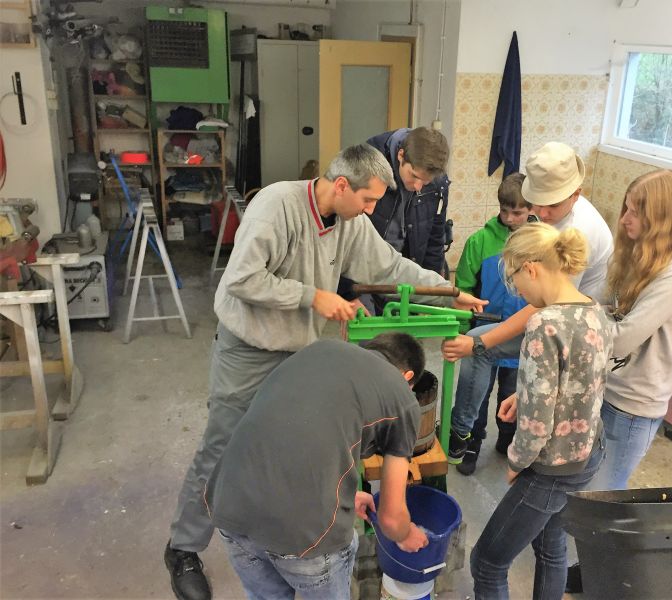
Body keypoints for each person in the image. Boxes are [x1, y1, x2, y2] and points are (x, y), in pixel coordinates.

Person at [164, 144, 486, 600]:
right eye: (367, 200)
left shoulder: (350, 223)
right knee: (221, 447)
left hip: (300, 354)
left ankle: (283, 528)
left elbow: (391, 265)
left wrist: (448, 293)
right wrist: (313, 297)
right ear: (341, 185)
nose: (371, 210)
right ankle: (183, 548)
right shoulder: (277, 206)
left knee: (301, 446)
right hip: (249, 349)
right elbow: (241, 278)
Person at [206, 334, 430, 600]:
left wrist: (344, 495)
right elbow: (391, 520)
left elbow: (297, 435)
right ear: (407, 376)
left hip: (229, 502)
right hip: (305, 535)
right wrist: (406, 535)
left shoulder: (319, 349)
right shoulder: (402, 397)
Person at [565, 169, 672, 593]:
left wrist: (579, 314)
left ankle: (602, 577)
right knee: (590, 488)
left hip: (634, 404)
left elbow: (622, 337)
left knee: (606, 498)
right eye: (626, 207)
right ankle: (591, 566)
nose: (624, 219)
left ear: (662, 218)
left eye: (637, 212)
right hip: (609, 387)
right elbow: (605, 303)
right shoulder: (640, 254)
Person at [443, 142, 613, 464]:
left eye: (552, 206)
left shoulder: (581, 230)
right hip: (559, 315)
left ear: (576, 194)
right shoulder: (551, 217)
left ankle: (501, 444)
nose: (542, 214)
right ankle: (469, 430)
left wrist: (480, 342)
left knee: (484, 349)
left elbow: (546, 306)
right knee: (485, 350)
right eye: (538, 204)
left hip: (572, 327)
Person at [469, 222, 613, 600]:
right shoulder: (594, 310)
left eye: (515, 279)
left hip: (552, 467)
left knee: (487, 562)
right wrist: (525, 394)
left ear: (531, 268)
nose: (517, 290)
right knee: (551, 548)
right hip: (588, 451)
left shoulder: (544, 324)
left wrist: (517, 460)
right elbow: (583, 381)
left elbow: (535, 427)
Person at [452, 172, 534, 475]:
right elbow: (463, 286)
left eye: (518, 212)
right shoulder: (480, 241)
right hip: (485, 335)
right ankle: (472, 442)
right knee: (476, 393)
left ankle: (507, 437)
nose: (510, 218)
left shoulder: (539, 242)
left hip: (521, 335)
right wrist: (462, 332)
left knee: (513, 391)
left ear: (532, 209)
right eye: (504, 210)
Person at [339, 126, 451, 313]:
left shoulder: (437, 179)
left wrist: (433, 293)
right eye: (414, 176)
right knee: (369, 328)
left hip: (407, 272)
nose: (418, 186)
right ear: (401, 155)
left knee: (408, 331)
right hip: (364, 274)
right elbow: (342, 234)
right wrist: (348, 292)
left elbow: (435, 236)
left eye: (425, 182)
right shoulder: (367, 163)